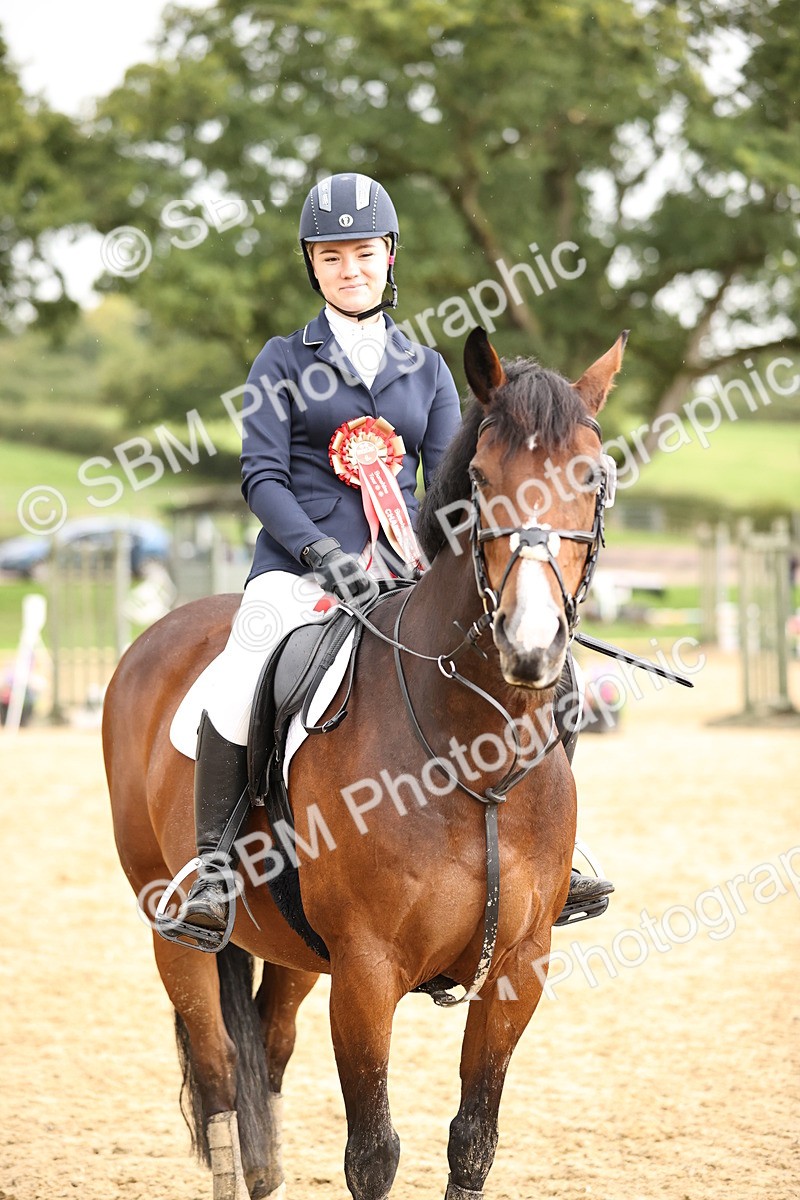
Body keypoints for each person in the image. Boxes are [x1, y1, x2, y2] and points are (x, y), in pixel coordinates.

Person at [172, 171, 612, 935]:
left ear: (389, 257)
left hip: (404, 572)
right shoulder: (281, 361)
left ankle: (554, 852)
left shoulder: (429, 369)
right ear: (313, 265)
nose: (350, 269)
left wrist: (453, 563)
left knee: (551, 667)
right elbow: (263, 478)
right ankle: (214, 865)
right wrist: (319, 552)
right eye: (332, 256)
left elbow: (448, 486)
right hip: (298, 573)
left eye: (364, 254)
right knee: (242, 670)